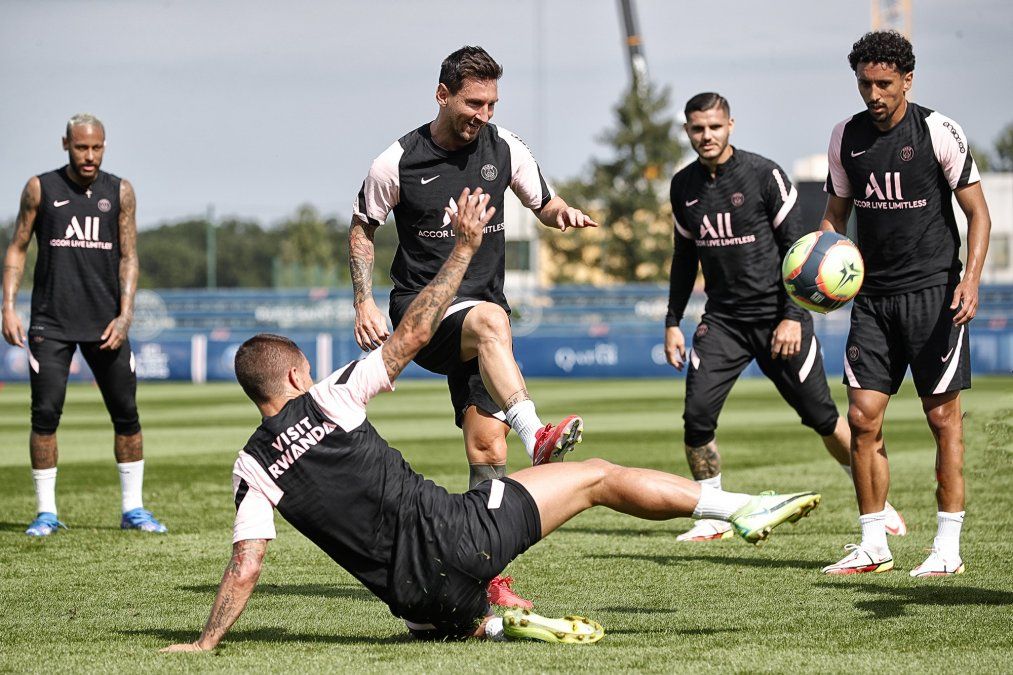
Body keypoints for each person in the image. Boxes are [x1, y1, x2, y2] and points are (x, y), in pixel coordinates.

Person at [160, 188, 822, 650]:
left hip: (419, 602)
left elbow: (246, 565)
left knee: (438, 608)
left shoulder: (251, 468)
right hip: (463, 537)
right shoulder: (330, 396)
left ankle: (495, 622)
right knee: (595, 475)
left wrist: (204, 641)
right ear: (296, 377)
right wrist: (463, 250)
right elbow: (413, 333)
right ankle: (736, 507)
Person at [349, 46, 597, 606]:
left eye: (491, 104)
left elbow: (544, 203)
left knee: (486, 448)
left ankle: (485, 575)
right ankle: (537, 434)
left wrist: (562, 214)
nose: (483, 114)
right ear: (443, 96)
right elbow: (363, 227)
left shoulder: (504, 147)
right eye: (473, 103)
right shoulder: (396, 161)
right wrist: (363, 301)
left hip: (485, 322)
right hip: (423, 313)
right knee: (490, 320)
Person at [665, 93, 905, 542]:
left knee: (823, 417)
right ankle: (714, 515)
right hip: (723, 322)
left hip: (780, 318)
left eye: (714, 127)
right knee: (696, 417)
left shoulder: (763, 174)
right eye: (698, 128)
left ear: (730, 125)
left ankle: (879, 501)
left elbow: (801, 247)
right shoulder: (682, 186)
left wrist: (792, 316)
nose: (706, 136)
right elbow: (683, 258)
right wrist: (672, 320)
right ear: (687, 131)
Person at [820, 31, 991, 576]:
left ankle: (947, 548)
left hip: (935, 296)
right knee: (861, 417)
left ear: (907, 80)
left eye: (884, 83)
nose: (874, 94)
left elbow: (979, 214)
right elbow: (834, 217)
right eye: (864, 83)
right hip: (872, 300)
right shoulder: (845, 136)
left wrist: (971, 280)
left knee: (943, 419)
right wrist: (822, 269)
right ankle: (873, 543)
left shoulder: (939, 131)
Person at [1, 113, 166, 536]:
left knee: (126, 415)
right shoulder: (40, 188)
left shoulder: (120, 191)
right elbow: (17, 247)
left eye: (96, 147)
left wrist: (125, 316)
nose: (89, 156)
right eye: (81, 147)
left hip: (106, 324)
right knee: (44, 416)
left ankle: (133, 510)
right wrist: (8, 307)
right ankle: (46, 513)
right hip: (50, 323)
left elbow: (129, 256)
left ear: (104, 146)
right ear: (66, 144)